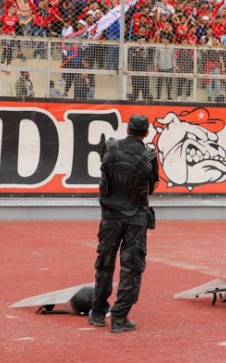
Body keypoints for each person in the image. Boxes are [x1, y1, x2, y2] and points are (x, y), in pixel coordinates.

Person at [87, 114, 159, 333]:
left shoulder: (110, 148)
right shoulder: (149, 156)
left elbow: (105, 174)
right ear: (146, 132)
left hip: (110, 216)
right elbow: (152, 186)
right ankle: (119, 318)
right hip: (135, 218)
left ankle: (98, 313)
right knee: (132, 268)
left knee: (104, 264)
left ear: (128, 129)